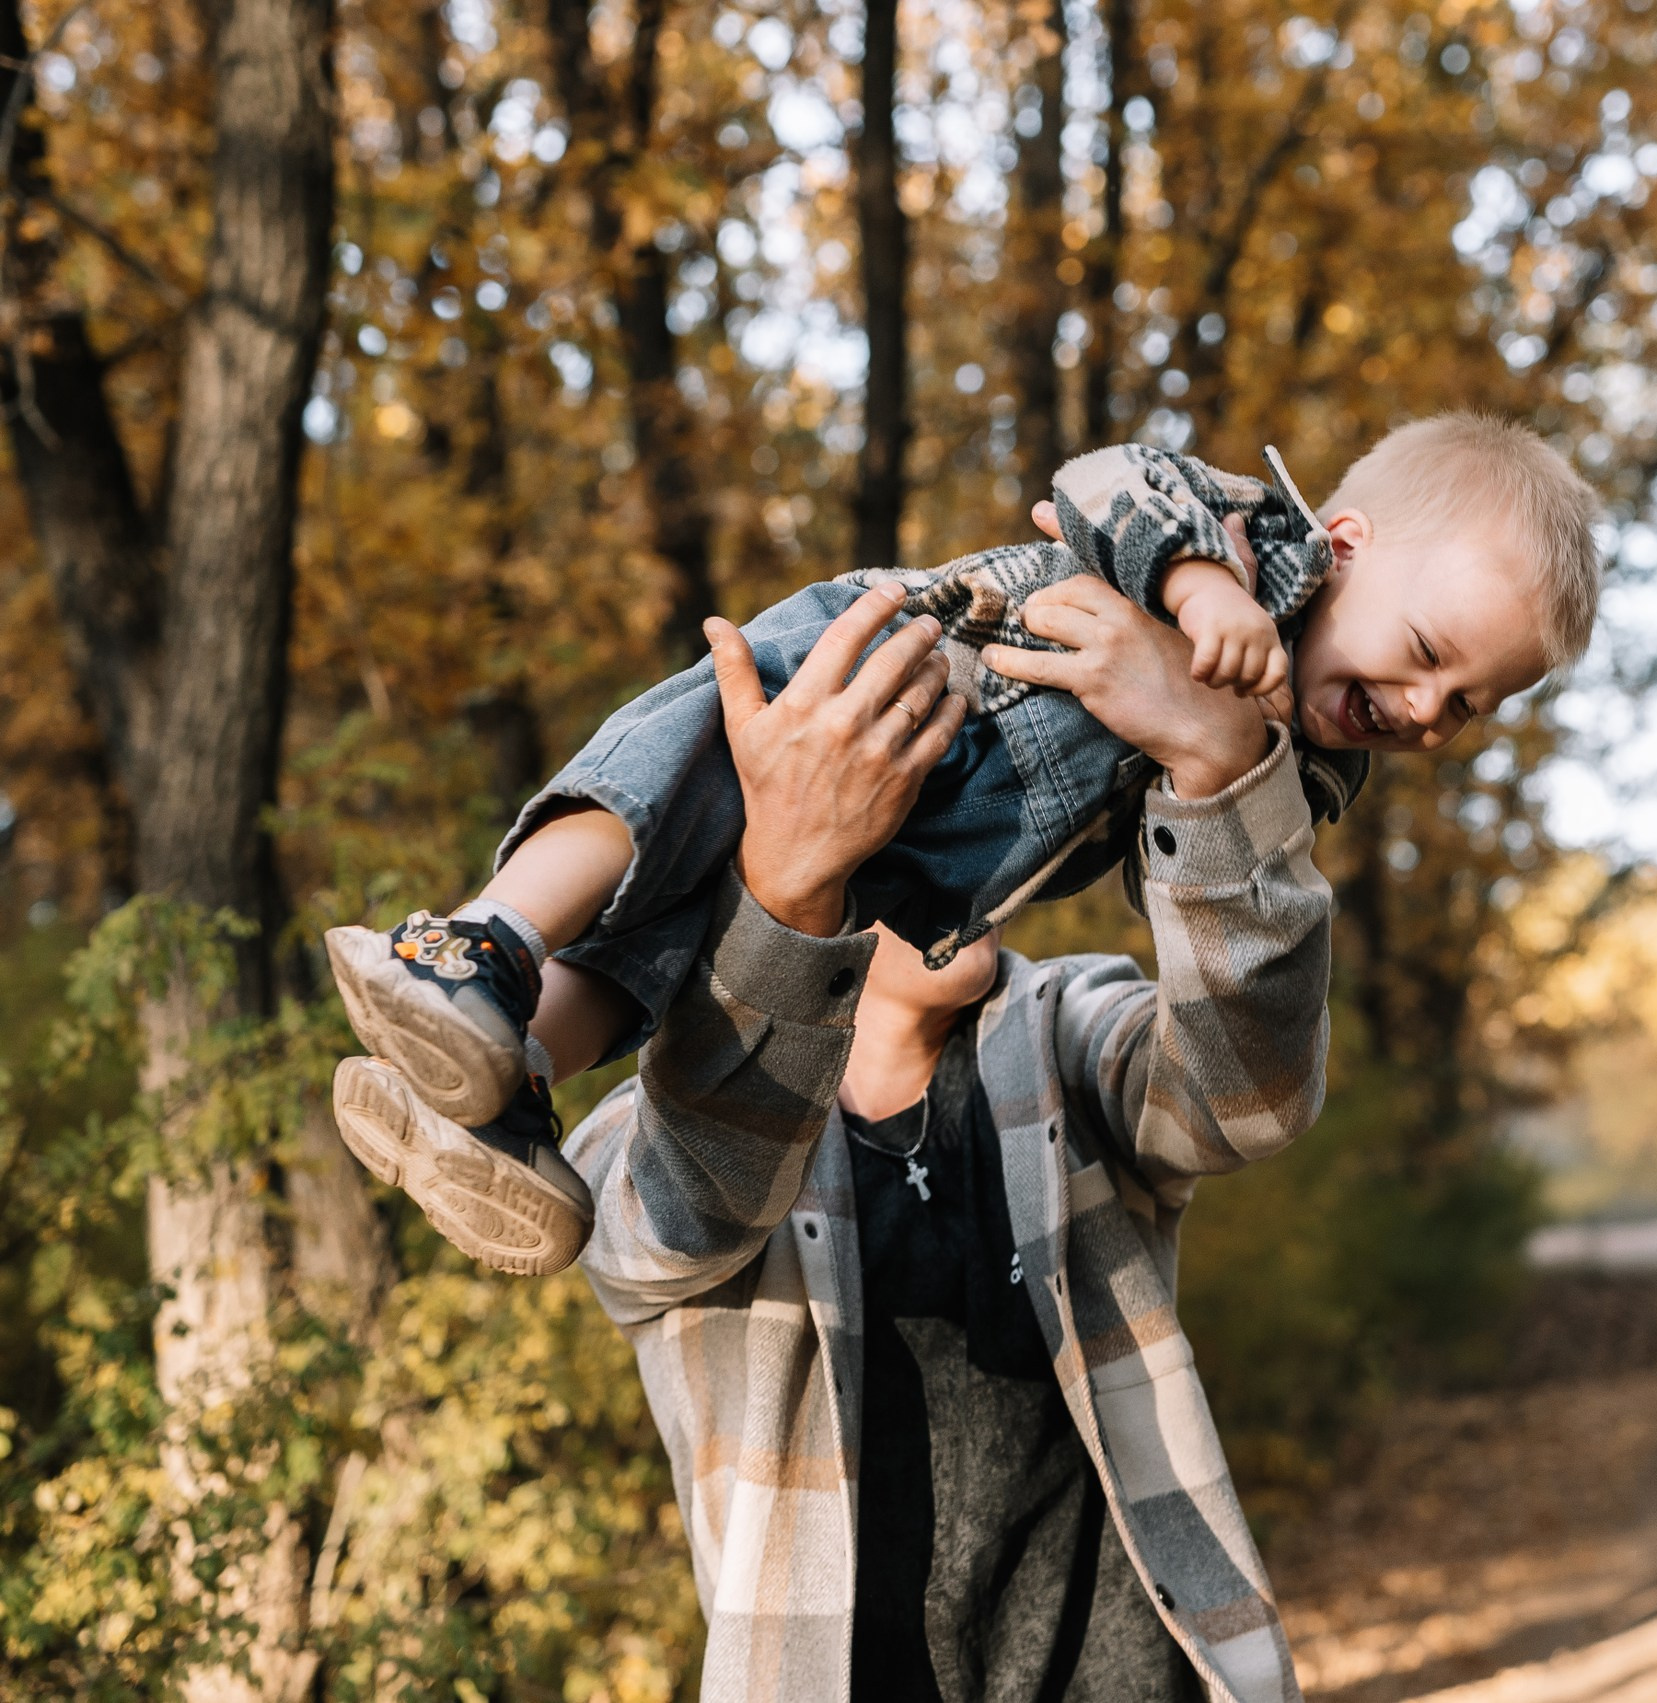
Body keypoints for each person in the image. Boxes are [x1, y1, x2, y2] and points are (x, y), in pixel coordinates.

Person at [354, 572, 1335, 1700]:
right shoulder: (636, 1130)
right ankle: (486, 1039)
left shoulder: (1068, 1038)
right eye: (892, 819)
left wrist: (1221, 784)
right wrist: (788, 880)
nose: (949, 860)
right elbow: (695, 1205)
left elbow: (1245, 1098)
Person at [327, 415, 1602, 1273]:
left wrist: (1216, 751)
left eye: (1471, 704)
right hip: (907, 669)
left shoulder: (1304, 768)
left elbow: (1245, 1038)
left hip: (921, 864)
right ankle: (475, 942)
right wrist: (1199, 592)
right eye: (1430, 655)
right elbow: (1102, 480)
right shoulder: (1249, 540)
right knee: (695, 764)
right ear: (1341, 545)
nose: (1429, 710)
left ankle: (500, 1088)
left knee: (660, 959)